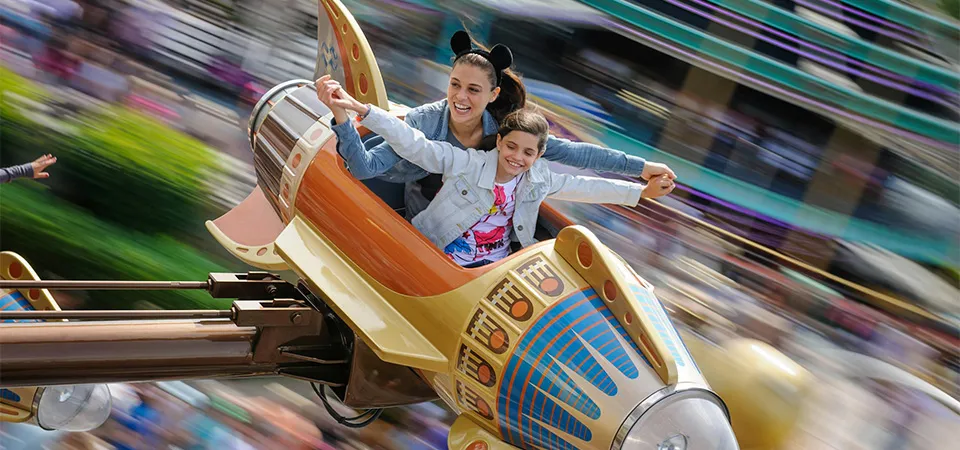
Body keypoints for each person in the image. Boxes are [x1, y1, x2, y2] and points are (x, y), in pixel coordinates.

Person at [317, 77, 675, 267]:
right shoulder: (468, 161)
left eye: (528, 153)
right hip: (443, 252)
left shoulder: (537, 175)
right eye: (512, 148)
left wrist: (640, 187)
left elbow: (581, 184)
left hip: (494, 263)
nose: (517, 158)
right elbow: (414, 144)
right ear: (499, 142)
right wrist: (359, 110)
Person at [328, 30, 676, 218]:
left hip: (481, 220)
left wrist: (641, 168)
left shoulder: (509, 135)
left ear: (493, 94)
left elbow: (574, 157)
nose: (460, 97)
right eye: (454, 85)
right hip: (427, 216)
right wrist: (344, 116)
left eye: (473, 90)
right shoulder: (425, 123)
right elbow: (364, 166)